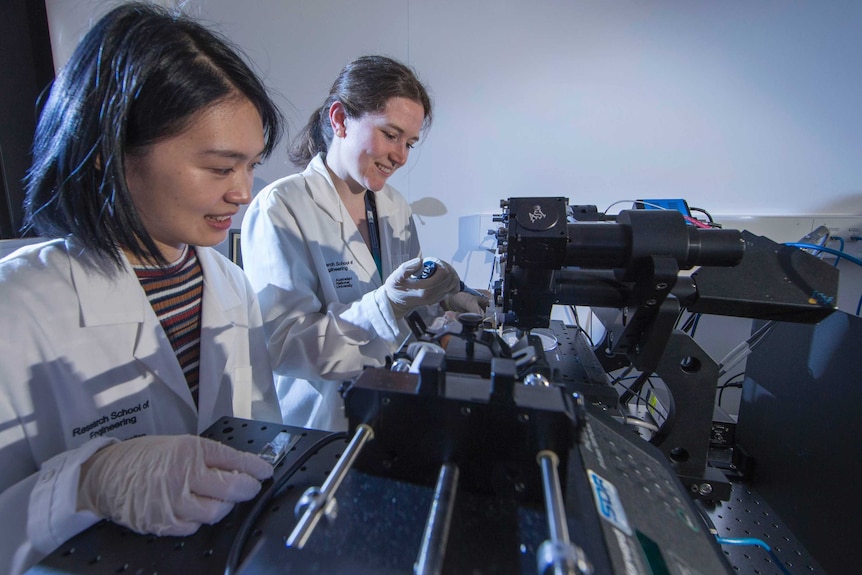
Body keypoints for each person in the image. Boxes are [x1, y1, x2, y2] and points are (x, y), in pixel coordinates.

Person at [0, 4, 284, 573]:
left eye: (251, 166)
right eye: (220, 167)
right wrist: (87, 484)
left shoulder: (229, 284)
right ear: (108, 153)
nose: (244, 193)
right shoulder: (17, 307)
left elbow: (261, 439)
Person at [242, 55, 487, 432]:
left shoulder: (394, 206)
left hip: (390, 407)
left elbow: (406, 310)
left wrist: (445, 300)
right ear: (339, 119)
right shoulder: (283, 206)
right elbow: (284, 345)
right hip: (320, 424)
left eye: (410, 143)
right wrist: (384, 305)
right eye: (390, 135)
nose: (400, 157)